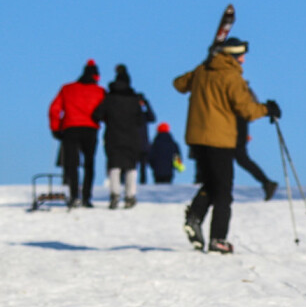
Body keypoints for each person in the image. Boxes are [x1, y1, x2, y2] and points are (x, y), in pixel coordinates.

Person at [173, 37, 279, 254]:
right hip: (219, 139)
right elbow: (246, 110)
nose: (244, 60)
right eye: (241, 55)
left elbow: (179, 84)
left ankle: (194, 217)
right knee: (223, 192)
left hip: (197, 138)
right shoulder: (231, 77)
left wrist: (203, 64)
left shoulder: (203, 70)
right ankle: (218, 239)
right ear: (232, 56)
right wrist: (267, 109)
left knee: (212, 184)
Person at [91, 64, 155, 209]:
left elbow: (97, 115)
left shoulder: (109, 98)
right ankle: (130, 195)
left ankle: (114, 194)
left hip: (113, 135)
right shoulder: (134, 100)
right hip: (131, 136)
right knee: (131, 167)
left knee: (114, 165)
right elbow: (141, 119)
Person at [48, 59, 105, 208]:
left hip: (70, 129)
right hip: (90, 130)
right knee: (89, 164)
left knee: (71, 164)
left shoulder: (67, 89)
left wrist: (55, 128)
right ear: (96, 77)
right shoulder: (100, 91)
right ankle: (86, 197)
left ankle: (74, 196)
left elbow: (54, 109)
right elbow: (105, 112)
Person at [235, 99, 278, 201]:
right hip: (237, 127)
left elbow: (248, 109)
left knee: (239, 159)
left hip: (232, 128)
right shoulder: (243, 87)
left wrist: (266, 110)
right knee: (241, 159)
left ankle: (267, 183)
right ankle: (267, 183)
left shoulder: (235, 86)